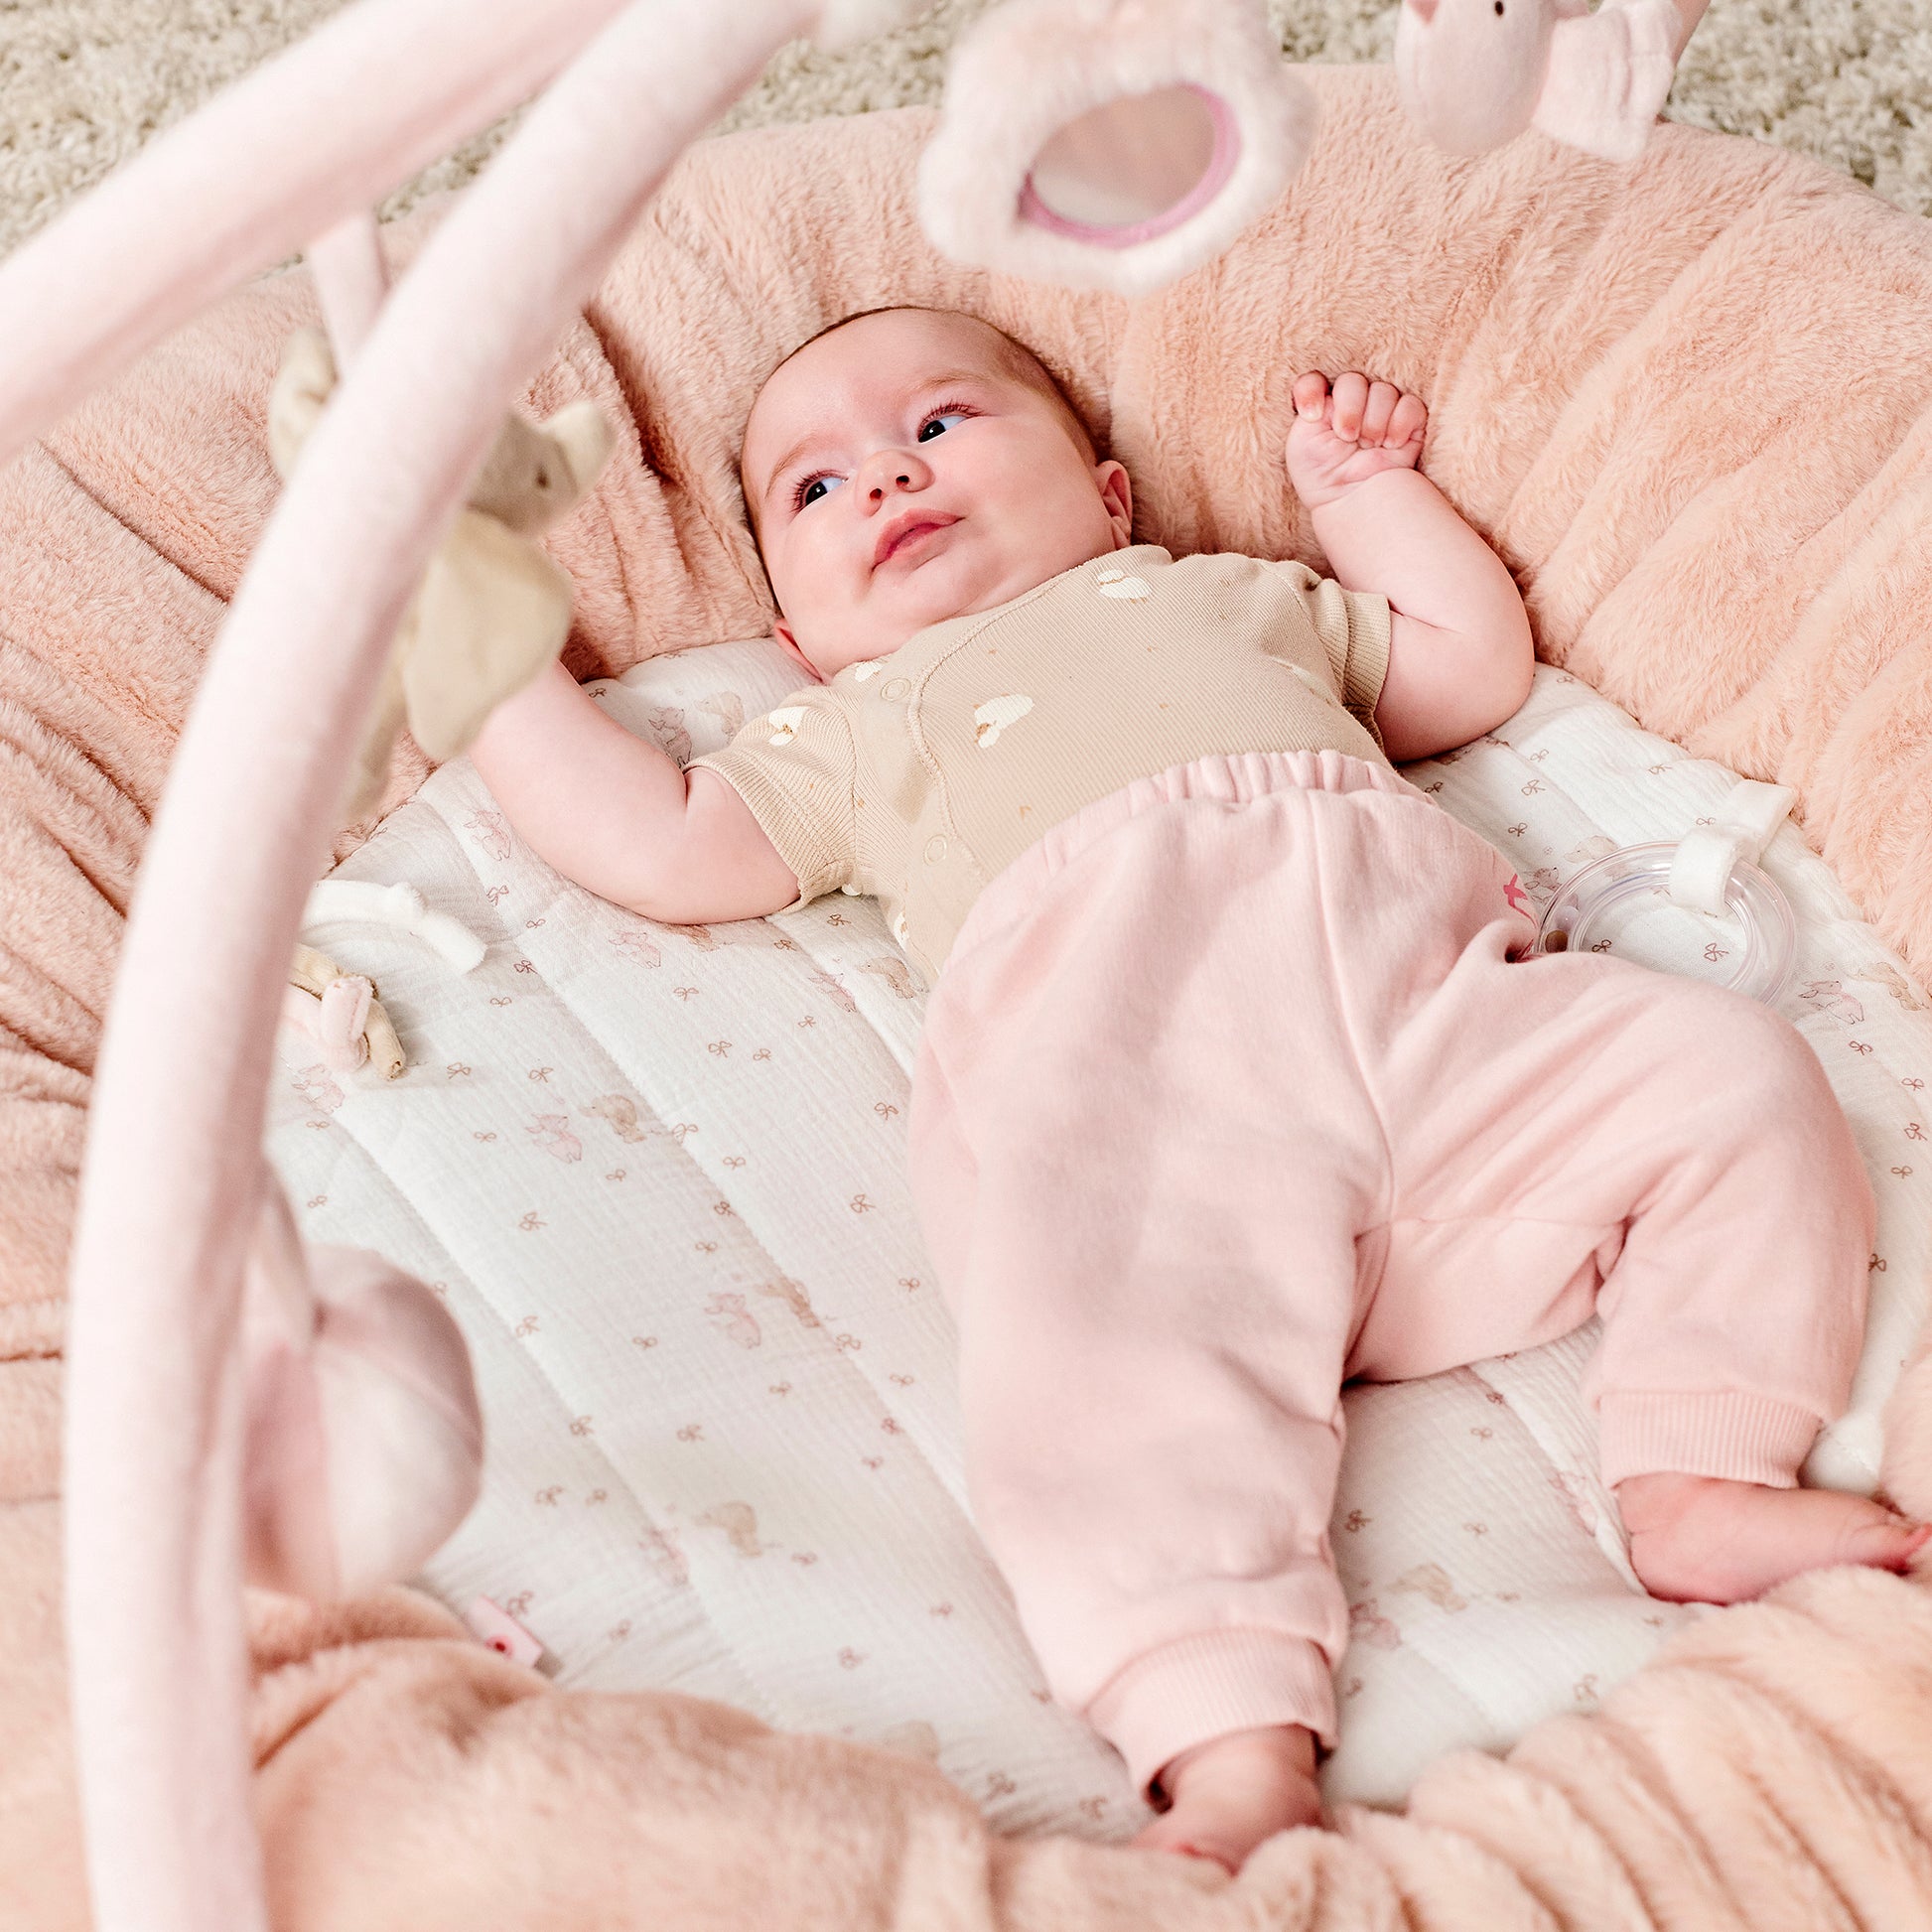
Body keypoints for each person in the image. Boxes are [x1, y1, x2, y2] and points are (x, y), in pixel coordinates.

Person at [468, 305, 1925, 1874]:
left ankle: (1699, 1473)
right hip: (1155, 1121)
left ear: (1109, 498)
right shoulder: (854, 723)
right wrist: (489, 668)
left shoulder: (1229, 596)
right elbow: (659, 839)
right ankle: (1224, 1735)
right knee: (1096, 1366)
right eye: (812, 489)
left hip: (1444, 1043)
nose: (885, 476)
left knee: (1728, 1074)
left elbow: (1464, 665)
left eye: (941, 422)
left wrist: (1363, 497)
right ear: (795, 640)